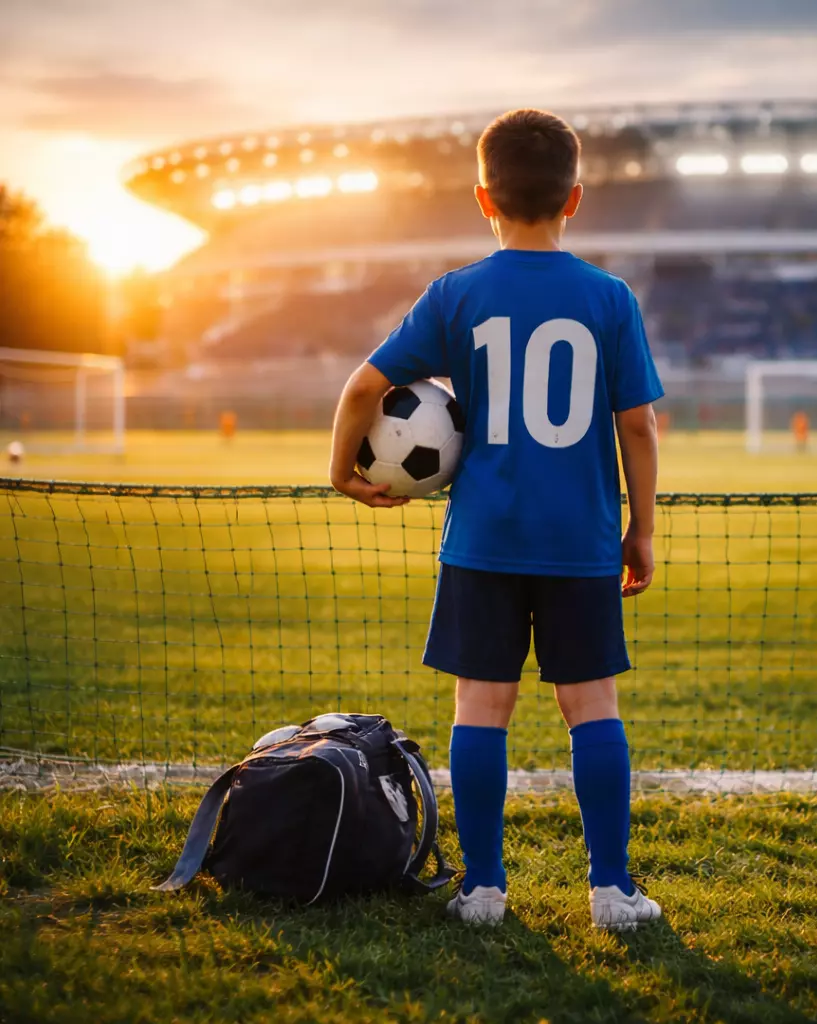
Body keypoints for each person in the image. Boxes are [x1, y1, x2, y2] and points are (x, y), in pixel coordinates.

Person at [329, 108, 663, 930]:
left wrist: (339, 469)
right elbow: (638, 427)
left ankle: (481, 890)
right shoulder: (610, 298)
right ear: (575, 199)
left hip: (482, 541)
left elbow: (364, 389)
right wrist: (642, 528)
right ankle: (612, 892)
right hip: (580, 540)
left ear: (485, 196)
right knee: (593, 708)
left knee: (480, 707)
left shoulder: (456, 295)